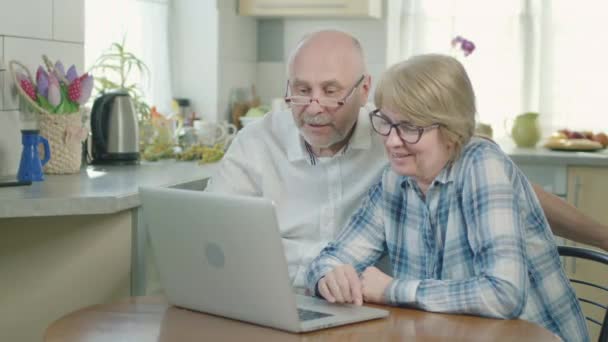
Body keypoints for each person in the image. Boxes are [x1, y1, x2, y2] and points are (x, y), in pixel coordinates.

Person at [207, 30, 608, 289]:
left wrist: (604, 236)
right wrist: (327, 273)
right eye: (301, 89)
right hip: (293, 299)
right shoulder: (257, 141)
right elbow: (209, 232)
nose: (314, 106)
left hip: (391, 306)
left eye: (331, 91)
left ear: (364, 90)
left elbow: (516, 192)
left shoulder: (401, 136)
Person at [305, 54, 589, 342]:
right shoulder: (394, 179)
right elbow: (331, 258)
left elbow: (504, 293)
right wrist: (329, 277)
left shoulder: (481, 164)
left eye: (409, 127)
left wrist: (392, 290)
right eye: (386, 122)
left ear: (451, 131)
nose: (391, 140)